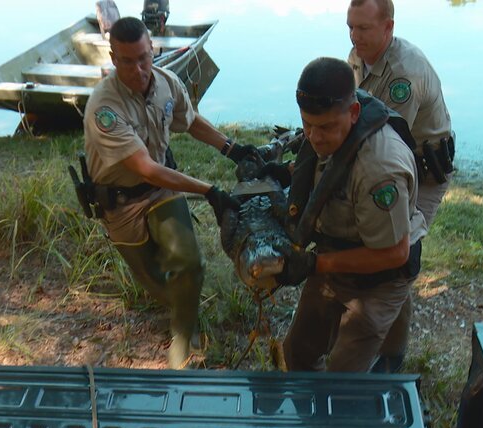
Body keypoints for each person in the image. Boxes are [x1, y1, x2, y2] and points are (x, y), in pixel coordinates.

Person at [82, 17, 257, 369]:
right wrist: (209, 189)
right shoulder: (105, 107)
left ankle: (183, 339)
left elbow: (189, 120)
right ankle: (180, 309)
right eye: (128, 61)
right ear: (114, 60)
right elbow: (145, 167)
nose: (139, 68)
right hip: (121, 205)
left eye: (145, 57)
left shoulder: (166, 82)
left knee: (188, 263)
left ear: (153, 50)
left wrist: (232, 149)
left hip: (161, 190)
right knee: (158, 283)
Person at [261, 57, 427, 373]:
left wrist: (313, 264)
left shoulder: (380, 169)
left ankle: (383, 370)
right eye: (307, 124)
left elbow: (395, 253)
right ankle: (312, 414)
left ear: (354, 113)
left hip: (382, 275)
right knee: (297, 353)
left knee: (344, 376)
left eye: (325, 127)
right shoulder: (324, 129)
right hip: (336, 252)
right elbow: (328, 171)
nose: (314, 136)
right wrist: (286, 174)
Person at [346, 0, 454, 372]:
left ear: (388, 28)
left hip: (421, 172)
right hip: (395, 160)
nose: (354, 37)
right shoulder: (359, 55)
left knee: (400, 251)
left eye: (363, 29)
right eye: (350, 27)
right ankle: (383, 341)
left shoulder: (404, 73)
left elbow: (383, 142)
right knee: (390, 250)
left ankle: (392, 356)